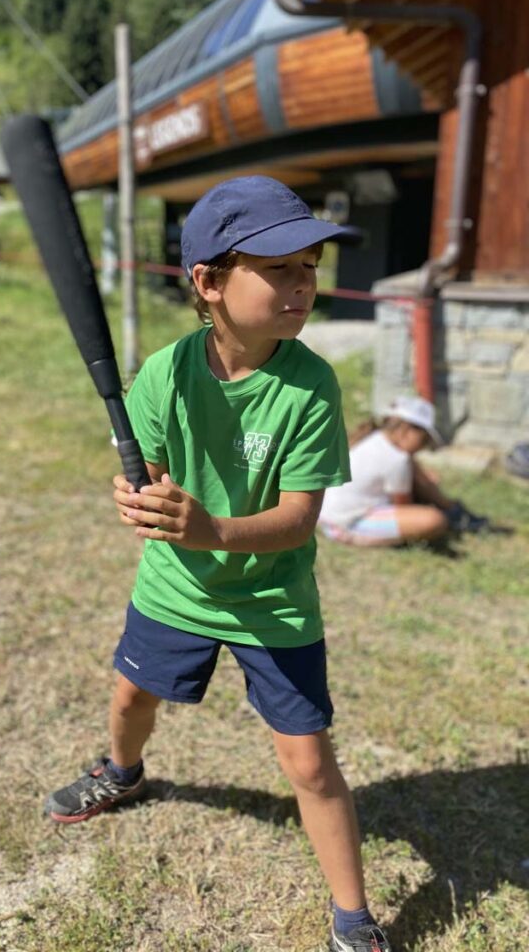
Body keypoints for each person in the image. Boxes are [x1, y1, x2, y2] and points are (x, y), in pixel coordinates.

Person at [45, 176, 393, 952]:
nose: (302, 285)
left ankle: (352, 917)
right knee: (131, 695)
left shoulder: (310, 387)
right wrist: (138, 495)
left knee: (309, 763)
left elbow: (297, 520)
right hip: (176, 586)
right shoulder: (166, 373)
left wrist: (209, 528)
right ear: (208, 282)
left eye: (309, 267)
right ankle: (122, 771)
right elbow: (146, 472)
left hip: (272, 598)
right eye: (279, 268)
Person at [318, 395, 490, 547]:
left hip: (328, 515)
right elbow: (402, 506)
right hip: (346, 524)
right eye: (424, 440)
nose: (423, 447)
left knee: (416, 472)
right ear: (406, 430)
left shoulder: (377, 439)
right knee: (434, 520)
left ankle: (451, 509)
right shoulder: (396, 459)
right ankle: (452, 512)